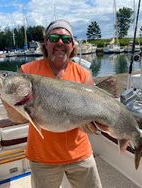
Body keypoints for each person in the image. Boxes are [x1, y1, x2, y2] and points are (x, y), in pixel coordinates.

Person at [20, 19, 102, 188]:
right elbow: (18, 117)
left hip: (80, 153)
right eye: (54, 38)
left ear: (72, 46)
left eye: (66, 40)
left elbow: (96, 110)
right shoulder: (27, 72)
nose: (60, 43)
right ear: (45, 43)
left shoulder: (83, 75)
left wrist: (94, 124)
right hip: (43, 158)